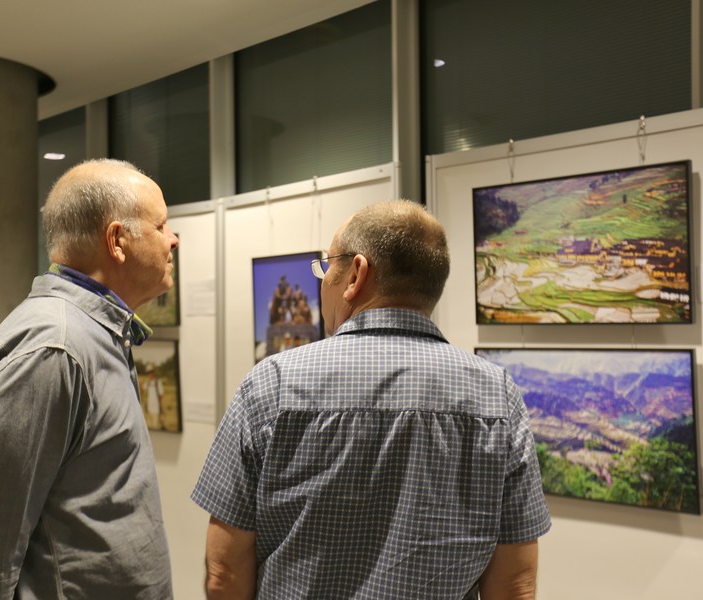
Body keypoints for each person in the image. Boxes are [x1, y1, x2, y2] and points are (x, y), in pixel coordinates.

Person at [191, 200, 551, 600]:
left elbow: (224, 573)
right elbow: (515, 585)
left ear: (356, 274)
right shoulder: (497, 395)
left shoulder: (271, 385)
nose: (322, 281)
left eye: (327, 266)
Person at [0, 159, 179, 599]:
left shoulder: (91, 337)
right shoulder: (55, 351)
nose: (173, 239)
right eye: (161, 226)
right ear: (117, 241)